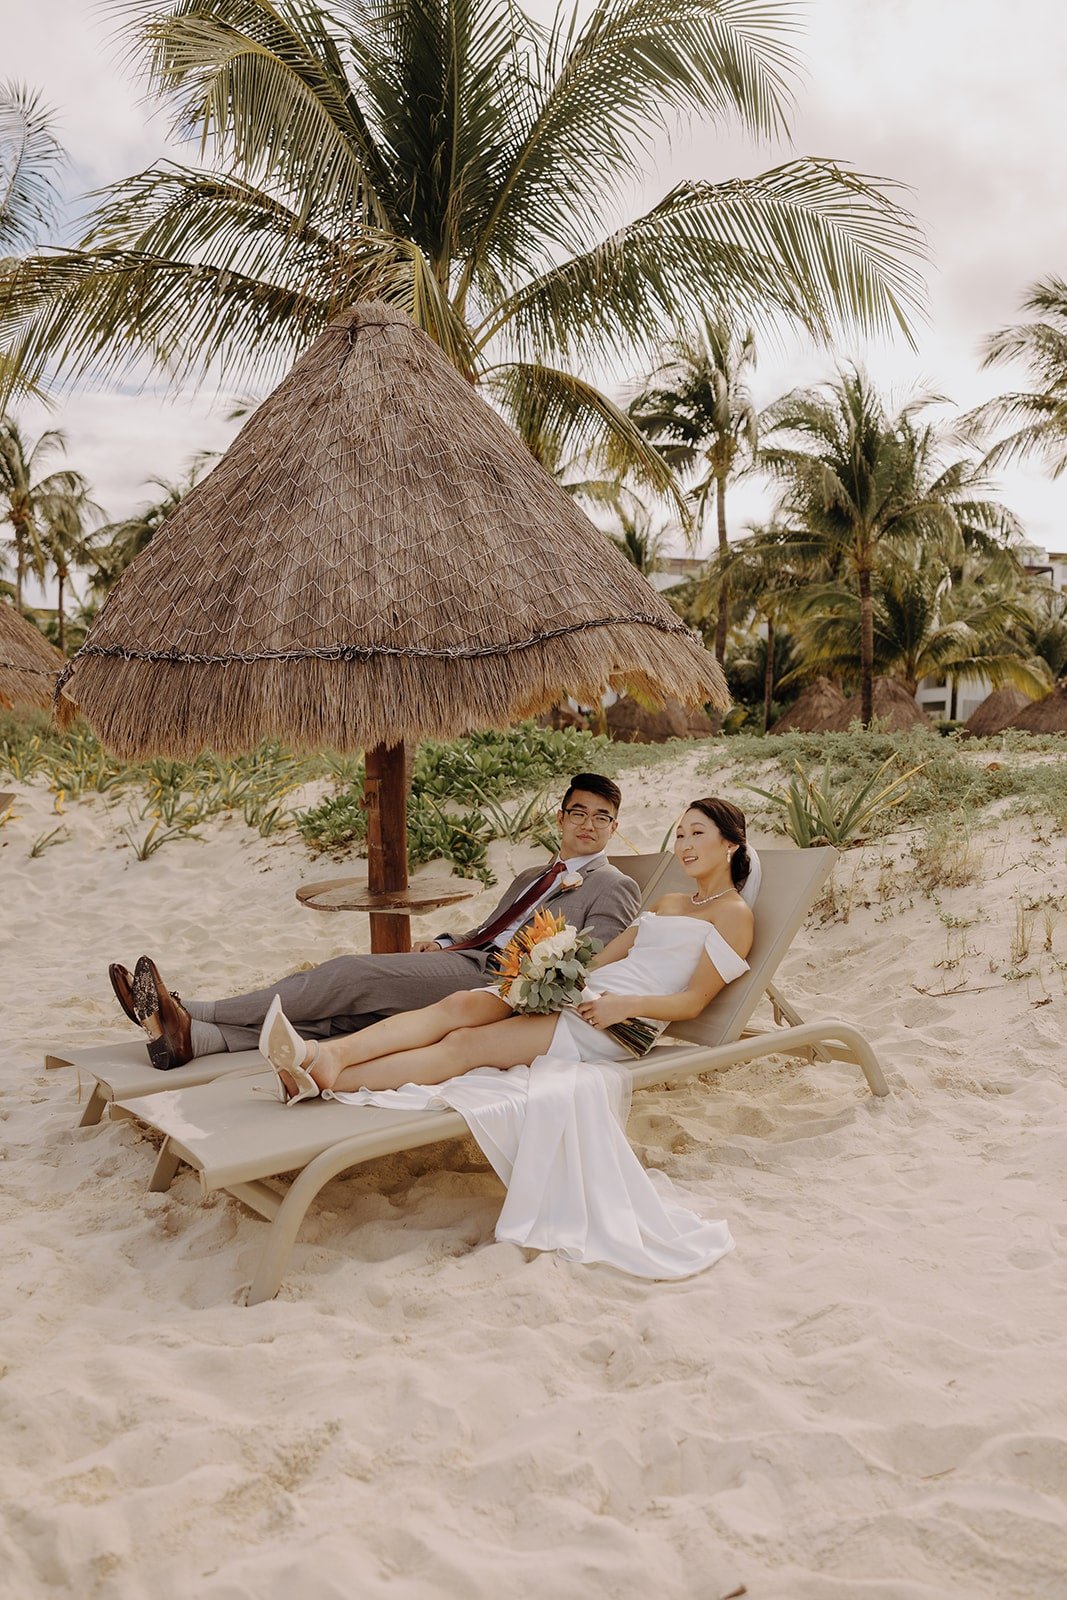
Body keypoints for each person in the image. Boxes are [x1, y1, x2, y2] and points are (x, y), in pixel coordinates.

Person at [110, 773, 641, 1071]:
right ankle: (196, 1039)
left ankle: (188, 1007)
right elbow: (491, 925)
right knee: (351, 1015)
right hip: (466, 960)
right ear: (560, 818)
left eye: (601, 817)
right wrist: (441, 940)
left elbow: (598, 963)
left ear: (615, 827)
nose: (589, 824)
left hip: (499, 984)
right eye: (579, 812)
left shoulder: (614, 885)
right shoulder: (532, 872)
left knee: (350, 977)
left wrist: (521, 976)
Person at [261, 796, 755, 1103]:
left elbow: (693, 1002)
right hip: (590, 993)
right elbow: (602, 960)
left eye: (698, 834)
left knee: (466, 1045)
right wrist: (551, 973)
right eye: (682, 833)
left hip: (621, 1022)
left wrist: (624, 1006)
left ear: (730, 844)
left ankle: (331, 1082)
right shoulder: (669, 900)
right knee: (459, 1004)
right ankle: (328, 1055)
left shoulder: (734, 915)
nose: (685, 844)